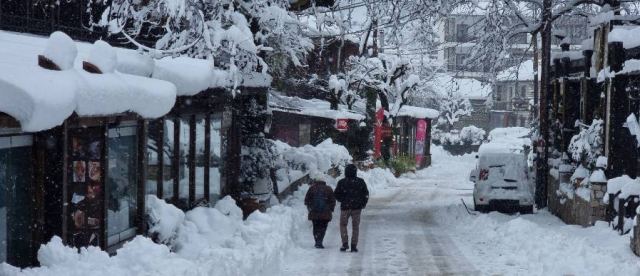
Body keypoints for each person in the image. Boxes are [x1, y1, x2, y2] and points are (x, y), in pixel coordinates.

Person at [334, 164, 369, 252]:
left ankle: (345, 243)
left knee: (343, 225)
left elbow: (336, 194)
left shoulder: (342, 182)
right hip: (357, 208)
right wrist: (363, 203)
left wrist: (343, 200)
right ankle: (354, 245)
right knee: (355, 227)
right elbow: (365, 194)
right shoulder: (360, 182)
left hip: (345, 207)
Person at [304, 180, 336, 249]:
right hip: (325, 213)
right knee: (323, 228)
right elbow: (333, 201)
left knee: (316, 227)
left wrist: (310, 208)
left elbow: (306, 200)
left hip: (314, 213)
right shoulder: (328, 189)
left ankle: (317, 241)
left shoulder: (312, 188)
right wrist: (330, 209)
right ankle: (320, 241)